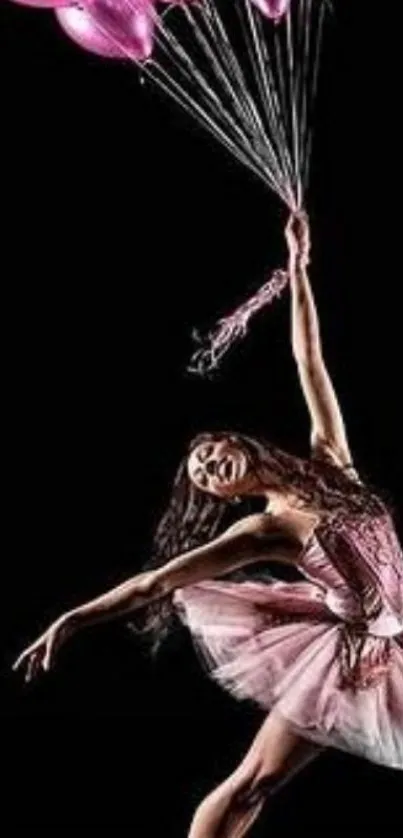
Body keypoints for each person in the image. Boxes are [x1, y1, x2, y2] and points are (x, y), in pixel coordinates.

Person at [13, 213, 403, 838]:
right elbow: (154, 584)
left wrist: (299, 269)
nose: (209, 465)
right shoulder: (265, 531)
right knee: (254, 782)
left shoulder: (331, 461)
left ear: (236, 443)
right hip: (351, 657)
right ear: (226, 492)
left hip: (396, 642)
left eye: (210, 454)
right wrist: (73, 619)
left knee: (258, 783)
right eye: (204, 476)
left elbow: (311, 359)